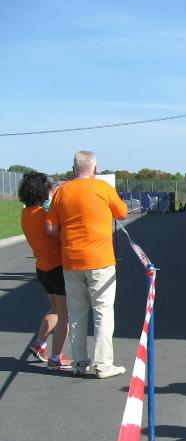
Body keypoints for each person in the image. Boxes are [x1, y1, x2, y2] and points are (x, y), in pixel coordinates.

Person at [45, 151, 129, 378]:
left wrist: (67, 235)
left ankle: (79, 362)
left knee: (77, 313)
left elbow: (50, 228)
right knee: (103, 312)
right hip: (101, 261)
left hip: (71, 261)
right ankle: (104, 364)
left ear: (74, 169)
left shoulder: (62, 191)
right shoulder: (103, 188)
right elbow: (122, 213)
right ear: (95, 169)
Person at [19, 173, 71, 370]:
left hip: (42, 268)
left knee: (55, 309)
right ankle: (56, 357)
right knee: (65, 315)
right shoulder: (45, 216)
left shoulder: (25, 213)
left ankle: (40, 343)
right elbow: (62, 233)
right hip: (56, 267)